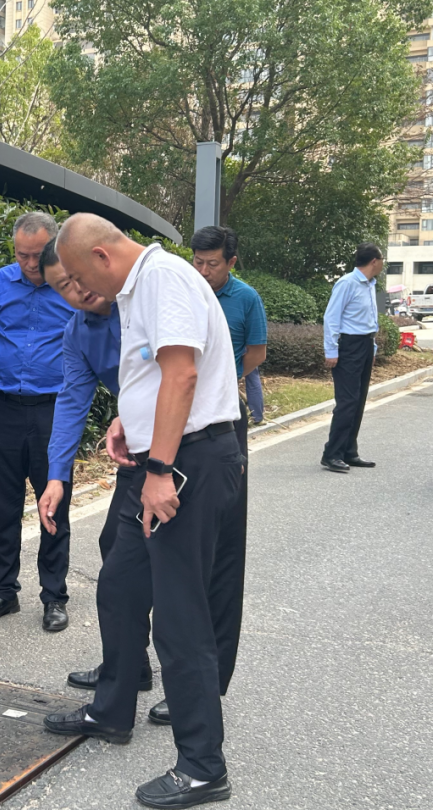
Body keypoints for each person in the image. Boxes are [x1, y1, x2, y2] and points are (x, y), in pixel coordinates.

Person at [44, 214, 243, 809]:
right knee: (120, 584)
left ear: (101, 257)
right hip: (160, 456)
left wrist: (158, 469)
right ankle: (111, 710)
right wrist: (127, 418)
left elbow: (183, 374)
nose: (82, 293)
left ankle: (203, 766)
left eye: (80, 279)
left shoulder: (162, 279)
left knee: (180, 616)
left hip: (184, 464)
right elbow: (157, 375)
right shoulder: (138, 289)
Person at [139, 226, 266, 727]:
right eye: (198, 260)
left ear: (232, 262)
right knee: (170, 557)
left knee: (219, 559)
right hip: (175, 425)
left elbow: (255, 353)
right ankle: (144, 667)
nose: (204, 269)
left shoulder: (245, 298)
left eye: (213, 262)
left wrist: (222, 382)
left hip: (220, 424)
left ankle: (208, 684)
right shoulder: (179, 289)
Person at [36, 240, 156, 695]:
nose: (76, 291)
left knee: (182, 563)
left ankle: (195, 691)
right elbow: (71, 402)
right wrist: (56, 476)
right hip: (138, 446)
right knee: (117, 546)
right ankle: (129, 665)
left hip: (191, 441)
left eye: (76, 278)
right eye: (60, 287)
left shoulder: (142, 304)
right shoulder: (78, 333)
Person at [0, 213, 74, 632]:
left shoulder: (70, 286)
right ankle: (3, 591)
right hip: (3, 408)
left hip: (52, 411)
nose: (31, 264)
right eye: (22, 255)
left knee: (54, 506)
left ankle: (54, 596)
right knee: (2, 504)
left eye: (38, 255)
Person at [321, 243, 383, 473]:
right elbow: (331, 317)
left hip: (365, 344)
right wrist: (331, 350)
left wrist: (372, 348)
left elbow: (369, 320)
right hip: (348, 346)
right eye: (382, 260)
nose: (383, 264)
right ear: (374, 261)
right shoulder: (347, 283)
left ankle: (349, 451)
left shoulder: (370, 284)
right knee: (347, 402)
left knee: (358, 400)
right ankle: (332, 454)